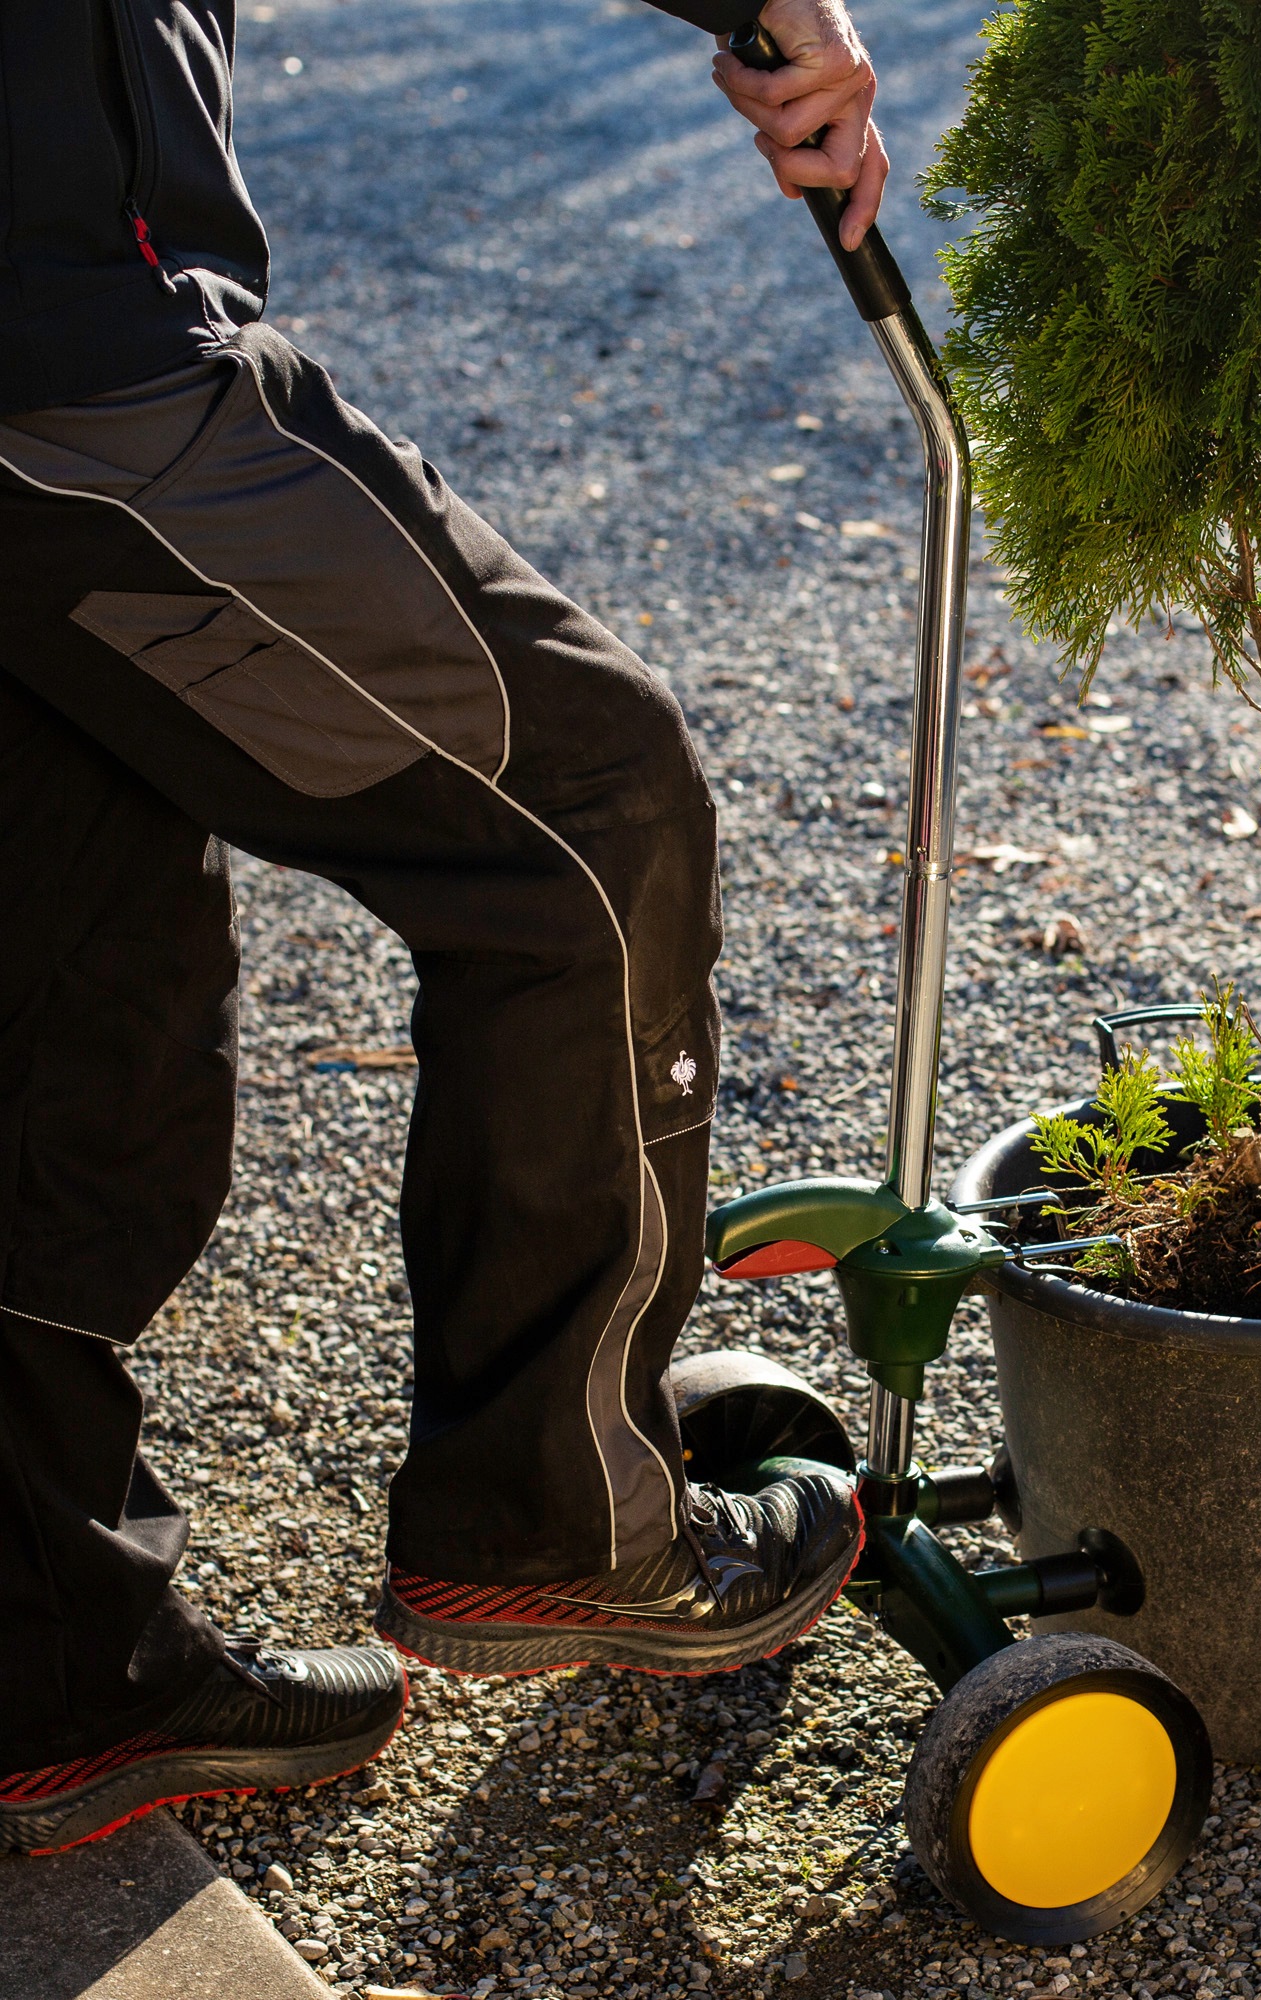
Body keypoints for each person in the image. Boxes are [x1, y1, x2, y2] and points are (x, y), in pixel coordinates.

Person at [0, 0, 885, 1856]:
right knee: (588, 813)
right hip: (69, 360)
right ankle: (550, 1527)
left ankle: (51, 1663)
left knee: (73, 997)